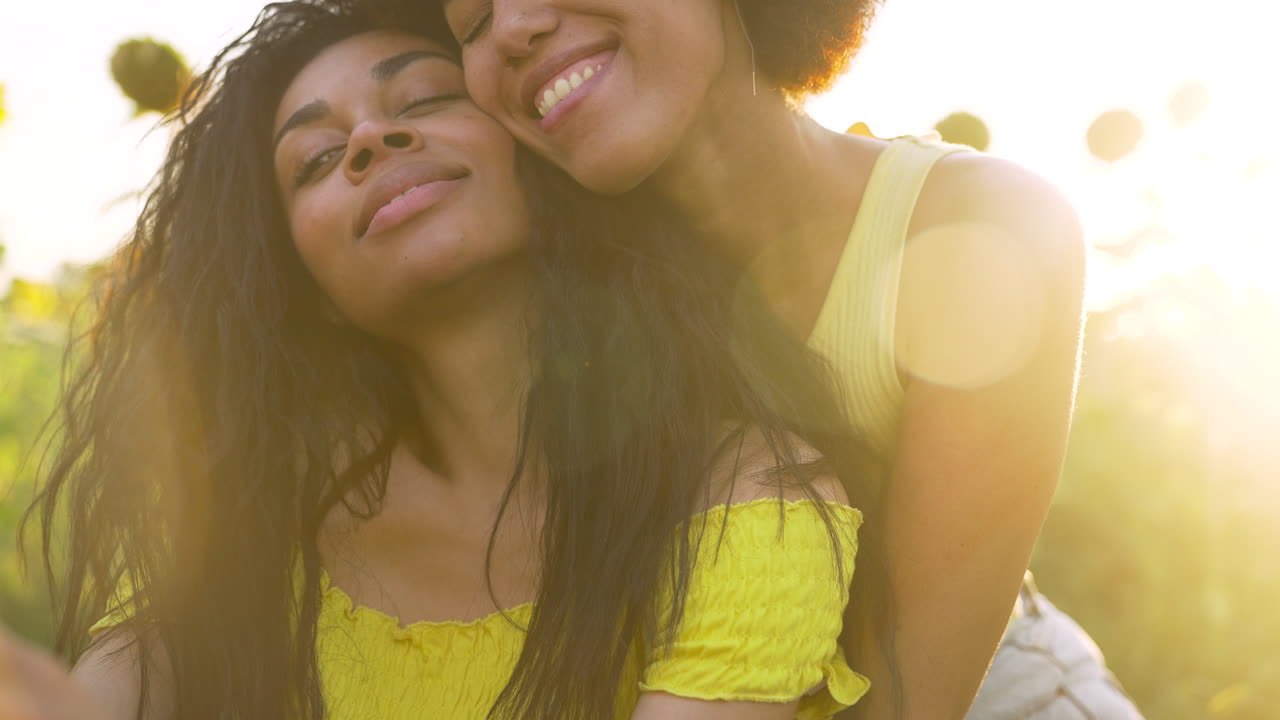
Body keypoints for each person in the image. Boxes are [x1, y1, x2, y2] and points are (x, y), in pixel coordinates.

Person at [4, 2, 885, 719]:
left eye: (423, 101)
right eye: (314, 160)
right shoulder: (242, 513)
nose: (368, 143)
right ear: (301, 286)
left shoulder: (748, 498)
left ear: (540, 152)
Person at [432, 0, 1143, 717]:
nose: (515, 27)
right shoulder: (542, 298)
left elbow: (907, 696)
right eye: (472, 26)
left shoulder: (985, 228)